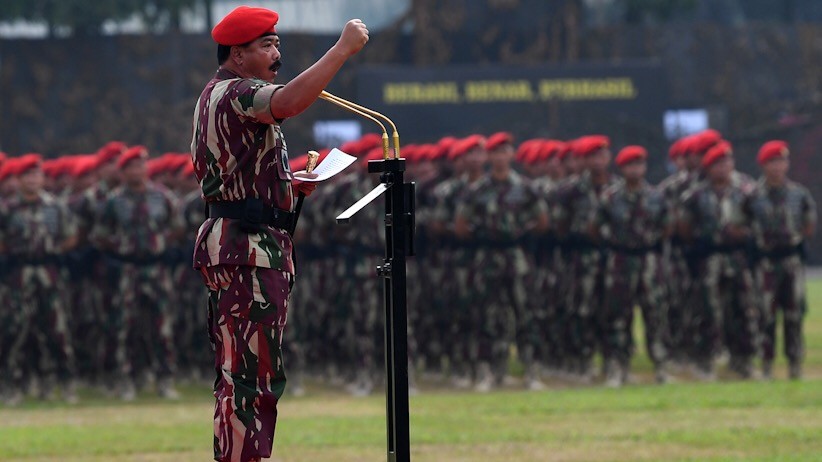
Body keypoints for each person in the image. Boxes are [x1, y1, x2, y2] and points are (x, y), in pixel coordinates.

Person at [190, 6, 368, 462]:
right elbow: (287, 102)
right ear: (238, 55)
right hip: (246, 249)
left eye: (277, 44)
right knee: (249, 378)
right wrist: (341, 50)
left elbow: (238, 174)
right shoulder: (238, 91)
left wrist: (287, 185)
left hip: (243, 243)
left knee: (242, 376)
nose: (276, 54)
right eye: (266, 45)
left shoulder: (218, 93)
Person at [679, 141, 758, 380]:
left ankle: (742, 361)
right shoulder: (695, 195)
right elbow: (684, 227)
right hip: (709, 258)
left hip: (737, 257)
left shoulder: (747, 191)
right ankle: (705, 360)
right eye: (717, 164)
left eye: (726, 162)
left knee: (742, 309)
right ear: (709, 167)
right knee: (707, 310)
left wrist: (745, 234)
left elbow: (759, 221)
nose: (723, 167)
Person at [594, 146, 670, 386]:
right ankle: (618, 366)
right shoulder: (610, 197)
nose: (635, 170)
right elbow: (595, 227)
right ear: (622, 168)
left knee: (654, 314)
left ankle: (660, 366)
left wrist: (652, 242)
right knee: (618, 316)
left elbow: (667, 226)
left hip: (648, 261)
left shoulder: (657, 196)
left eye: (639, 164)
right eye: (630, 165)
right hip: (621, 261)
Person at [745, 141, 816, 379]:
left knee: (794, 314)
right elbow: (740, 225)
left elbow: (809, 224)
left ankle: (795, 364)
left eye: (781, 161)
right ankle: (766, 364)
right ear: (763, 165)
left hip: (791, 262)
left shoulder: (799, 194)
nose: (777, 167)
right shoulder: (752, 196)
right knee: (765, 314)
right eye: (772, 162)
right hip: (765, 263)